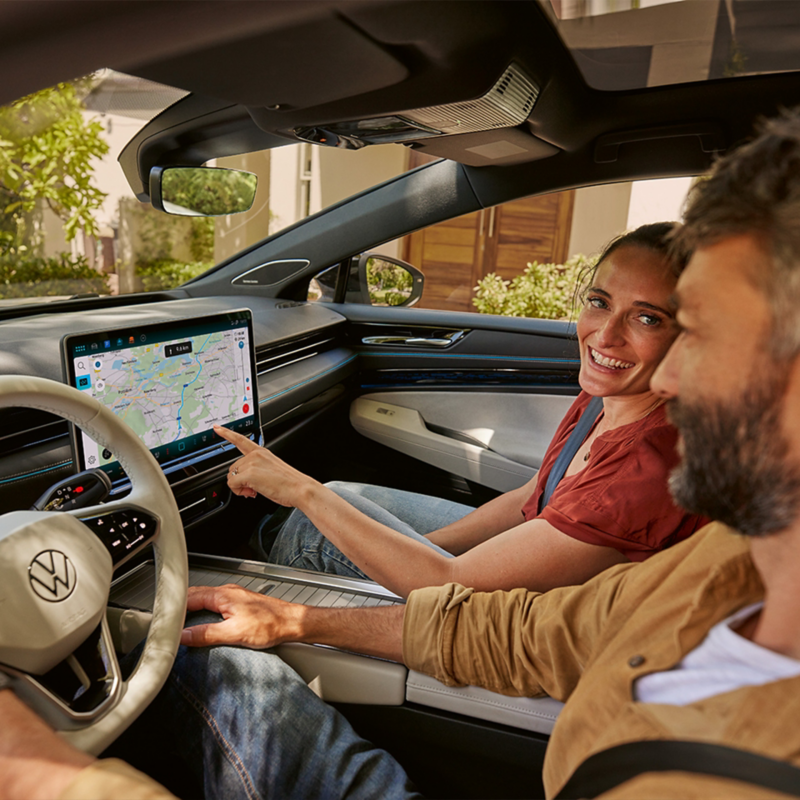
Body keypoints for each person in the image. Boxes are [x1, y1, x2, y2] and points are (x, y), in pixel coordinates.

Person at [9, 110, 800, 800]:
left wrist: (39, 771)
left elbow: (473, 599)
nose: (677, 377)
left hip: (531, 729)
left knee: (198, 655)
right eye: (603, 304)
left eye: (697, 332)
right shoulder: (725, 564)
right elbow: (536, 632)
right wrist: (294, 614)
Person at [217, 222, 706, 599]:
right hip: (531, 553)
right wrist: (429, 540)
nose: (605, 335)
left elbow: (450, 580)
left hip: (522, 620)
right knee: (340, 496)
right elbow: (535, 494)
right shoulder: (611, 395)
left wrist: (298, 489)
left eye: (647, 318)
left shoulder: (649, 466)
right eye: (599, 302)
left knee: (312, 529)